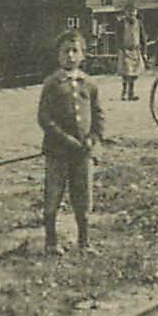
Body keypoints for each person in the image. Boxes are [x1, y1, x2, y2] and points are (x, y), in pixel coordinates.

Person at [37, 29, 104, 255]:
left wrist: (94, 139)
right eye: (66, 51)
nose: (71, 56)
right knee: (53, 195)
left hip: (83, 152)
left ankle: (84, 242)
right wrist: (65, 139)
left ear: (83, 55)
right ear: (58, 55)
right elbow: (44, 118)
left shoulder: (90, 84)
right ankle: (51, 242)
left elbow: (98, 115)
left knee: (83, 197)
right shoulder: (52, 84)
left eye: (75, 51)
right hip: (58, 151)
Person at [116, 4, 145, 101]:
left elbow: (142, 37)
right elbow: (118, 37)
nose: (132, 14)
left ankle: (131, 93)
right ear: (126, 13)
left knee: (134, 73)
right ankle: (124, 93)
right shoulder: (121, 23)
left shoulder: (139, 23)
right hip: (125, 50)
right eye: (130, 12)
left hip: (135, 50)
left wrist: (144, 50)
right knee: (125, 73)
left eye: (134, 12)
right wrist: (120, 48)